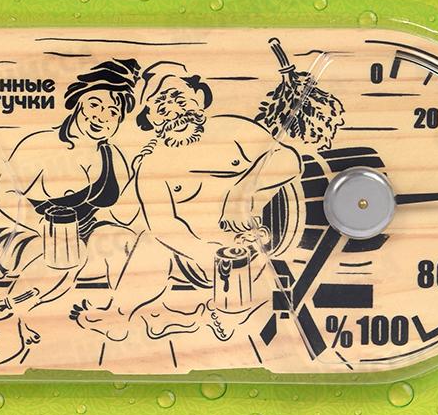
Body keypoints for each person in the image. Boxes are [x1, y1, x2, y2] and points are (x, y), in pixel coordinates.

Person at [73, 61, 302, 342]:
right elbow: (164, 226)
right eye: (160, 107)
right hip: (201, 260)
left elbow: (288, 159)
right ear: (150, 119)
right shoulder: (152, 166)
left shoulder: (232, 129)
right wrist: (215, 256)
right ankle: (122, 314)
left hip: (261, 243)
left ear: (199, 98)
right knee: (150, 243)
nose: (173, 110)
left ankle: (171, 316)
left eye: (179, 98)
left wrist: (242, 194)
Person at [0, 59, 141, 354]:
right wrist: (42, 225)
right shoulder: (42, 144)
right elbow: (4, 194)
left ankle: (115, 317)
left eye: (113, 112)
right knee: (64, 255)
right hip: (18, 230)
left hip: (79, 234)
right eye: (94, 104)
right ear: (77, 102)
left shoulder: (113, 156)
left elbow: (125, 212)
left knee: (125, 241)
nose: (102, 117)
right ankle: (8, 311)